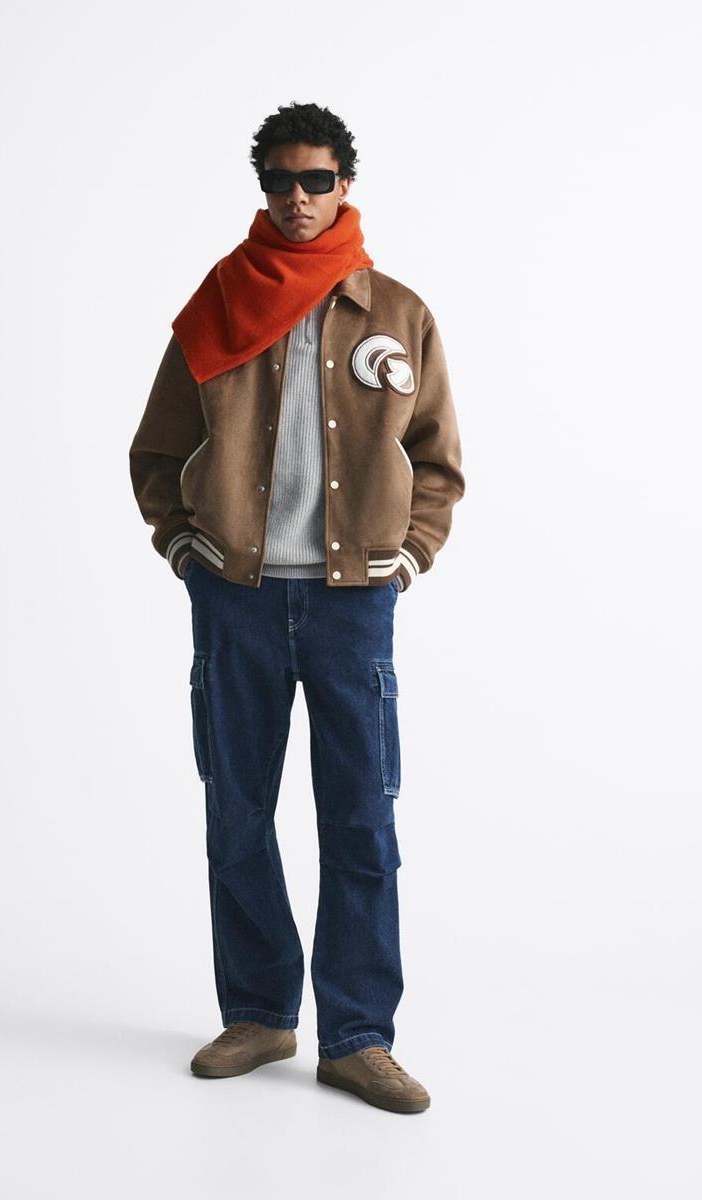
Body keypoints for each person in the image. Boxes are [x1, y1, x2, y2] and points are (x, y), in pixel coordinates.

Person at [129, 101, 465, 1115]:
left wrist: (407, 555)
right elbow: (156, 450)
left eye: (316, 179)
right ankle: (260, 1014)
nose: (297, 197)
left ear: (344, 185)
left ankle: (357, 1037)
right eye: (279, 180)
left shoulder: (396, 312)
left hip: (351, 603)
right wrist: (184, 547)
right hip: (233, 595)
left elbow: (437, 461)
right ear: (264, 188)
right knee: (238, 811)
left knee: (360, 818)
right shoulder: (219, 301)